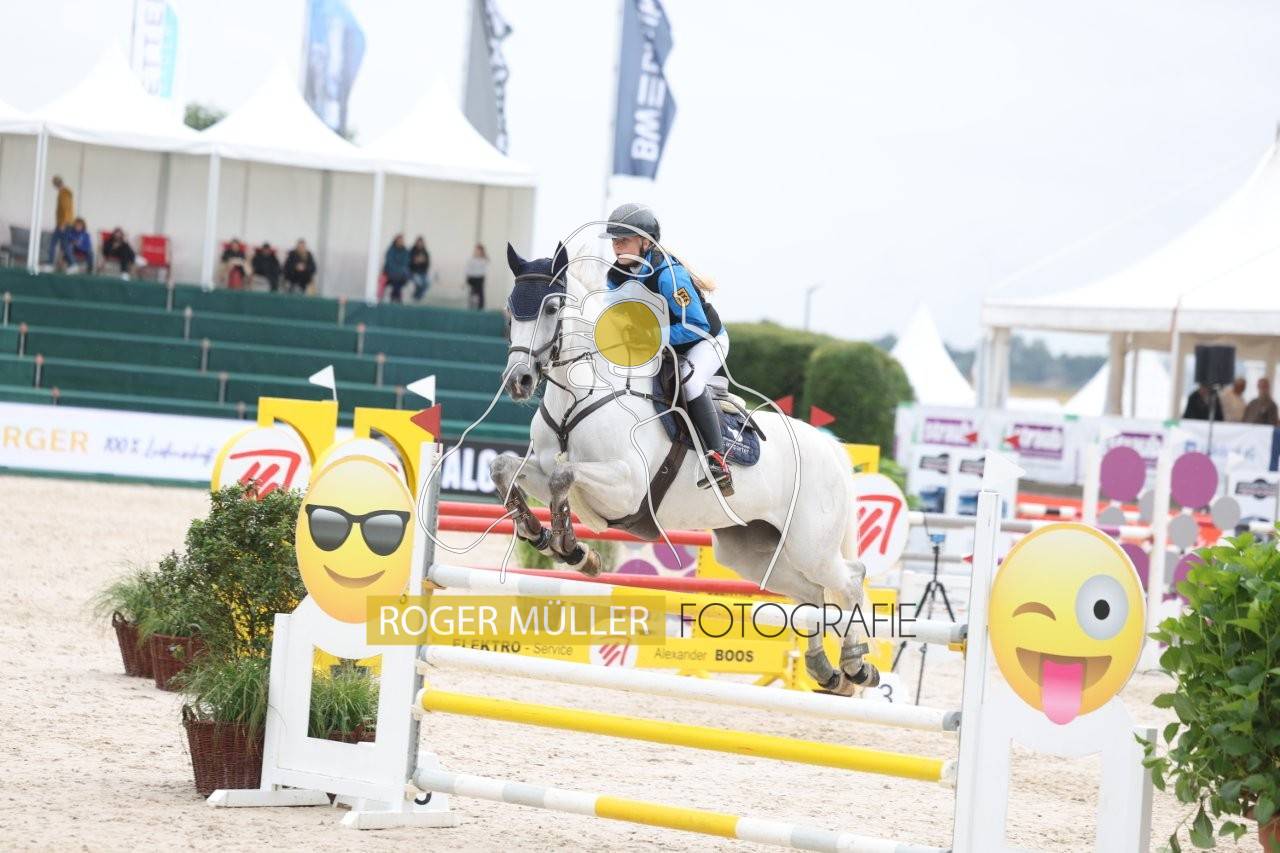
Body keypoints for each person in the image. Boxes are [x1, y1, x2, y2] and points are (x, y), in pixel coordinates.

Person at [601, 202, 732, 494]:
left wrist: (648, 336)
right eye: (614, 240)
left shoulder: (669, 276)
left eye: (624, 240)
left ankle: (717, 459)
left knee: (689, 381)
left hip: (704, 341)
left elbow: (695, 326)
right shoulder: (616, 276)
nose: (617, 246)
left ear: (646, 242)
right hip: (659, 344)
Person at [49, 176, 75, 268]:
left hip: (63, 223)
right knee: (63, 244)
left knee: (53, 243)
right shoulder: (64, 192)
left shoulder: (64, 193)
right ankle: (72, 264)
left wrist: (63, 223)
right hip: (64, 223)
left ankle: (50, 264)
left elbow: (66, 209)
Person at [382, 234, 411, 303]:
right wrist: (396, 270)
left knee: (400, 278)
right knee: (396, 278)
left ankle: (395, 295)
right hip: (391, 273)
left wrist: (399, 270)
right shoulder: (391, 251)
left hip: (401, 275)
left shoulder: (405, 251)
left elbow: (405, 263)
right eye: (399, 240)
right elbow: (390, 263)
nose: (400, 242)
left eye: (401, 241)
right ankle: (396, 296)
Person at [465, 243, 489, 310]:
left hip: (480, 278)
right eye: (476, 250)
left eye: (478, 250)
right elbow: (468, 270)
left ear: (481, 251)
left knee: (480, 294)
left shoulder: (484, 260)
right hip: (472, 278)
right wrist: (467, 279)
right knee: (472, 293)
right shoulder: (471, 260)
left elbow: (484, 270)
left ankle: (480, 308)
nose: (477, 252)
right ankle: (471, 307)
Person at [409, 236, 431, 301]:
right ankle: (416, 297)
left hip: (423, 273)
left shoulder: (425, 252)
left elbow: (427, 264)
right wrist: (415, 262)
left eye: (421, 243)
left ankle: (418, 297)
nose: (419, 244)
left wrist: (422, 262)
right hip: (413, 272)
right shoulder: (412, 251)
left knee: (427, 283)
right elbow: (409, 264)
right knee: (419, 282)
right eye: (418, 242)